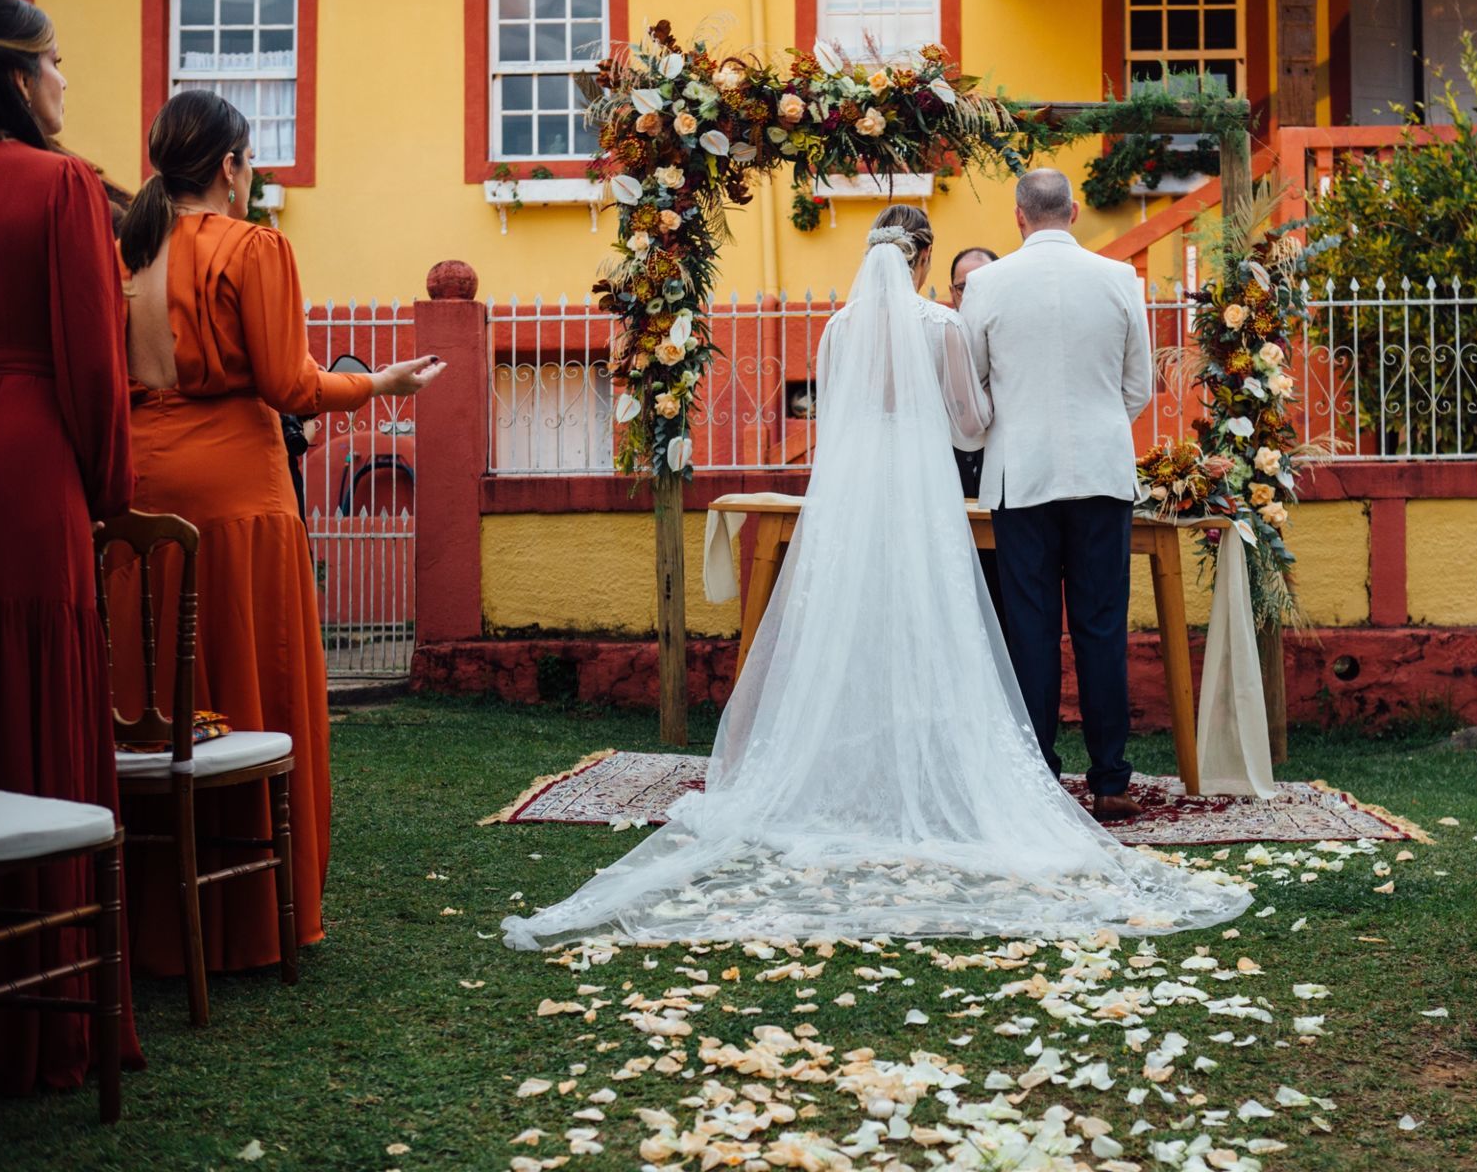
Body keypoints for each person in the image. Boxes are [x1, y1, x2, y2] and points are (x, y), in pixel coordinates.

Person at [502, 209, 1250, 947]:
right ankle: (966, 774)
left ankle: (851, 771)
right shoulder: (942, 328)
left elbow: (839, 417)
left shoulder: (835, 331)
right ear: (923, 261)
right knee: (942, 626)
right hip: (926, 492)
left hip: (854, 494)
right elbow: (968, 425)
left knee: (851, 628)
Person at [111, 89, 444, 975]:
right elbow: (292, 385)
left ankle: (149, 922)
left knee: (156, 694)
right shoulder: (253, 246)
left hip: (141, 491)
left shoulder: (125, 248)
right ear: (230, 165)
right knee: (251, 679)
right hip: (236, 498)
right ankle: (250, 918)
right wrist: (384, 386)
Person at [0, 0, 145, 1096]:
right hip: (29, 469)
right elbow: (97, 366)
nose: (63, 83)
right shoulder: (61, 185)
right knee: (35, 709)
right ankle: (46, 1013)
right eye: (54, 64)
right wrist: (111, 492)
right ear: (15, 73)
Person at [961, 170, 1152, 821]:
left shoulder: (985, 285)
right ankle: (1110, 781)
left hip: (1022, 474)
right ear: (1073, 211)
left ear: (1018, 217)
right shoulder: (1120, 280)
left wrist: (1006, 424)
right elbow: (1139, 387)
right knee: (1102, 627)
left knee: (1032, 630)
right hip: (1101, 472)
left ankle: (1038, 775)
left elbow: (972, 389)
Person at [947, 244, 1005, 622]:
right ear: (952, 292)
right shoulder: (939, 332)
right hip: (948, 467)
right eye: (962, 287)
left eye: (979, 285)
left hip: (1000, 468)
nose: (969, 294)